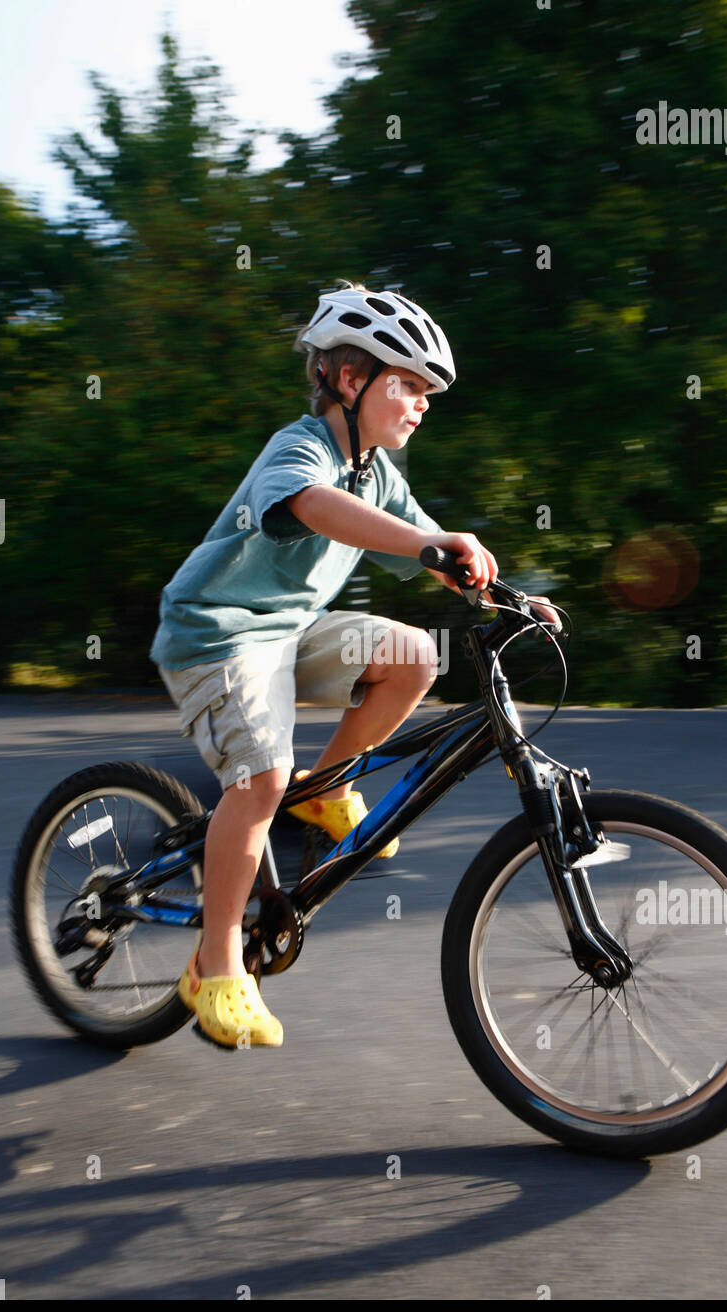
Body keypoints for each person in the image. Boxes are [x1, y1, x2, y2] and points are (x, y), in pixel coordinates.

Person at [150, 280, 544, 1051]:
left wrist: (512, 595)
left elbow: (436, 549)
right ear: (350, 380)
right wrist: (427, 544)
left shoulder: (378, 474)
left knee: (411, 656)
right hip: (218, 636)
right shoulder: (301, 448)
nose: (423, 401)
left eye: (429, 390)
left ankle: (321, 789)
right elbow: (312, 506)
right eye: (408, 384)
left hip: (290, 631)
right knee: (257, 776)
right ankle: (216, 966)